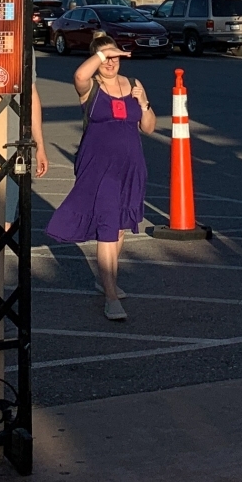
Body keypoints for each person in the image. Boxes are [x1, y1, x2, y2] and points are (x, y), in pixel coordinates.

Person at [45, 34, 155, 321]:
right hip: (98, 167)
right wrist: (103, 53)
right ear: (97, 59)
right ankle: (110, 297)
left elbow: (148, 128)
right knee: (107, 226)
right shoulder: (90, 86)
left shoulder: (133, 84)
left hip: (130, 166)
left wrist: (144, 103)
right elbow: (79, 74)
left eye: (115, 57)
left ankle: (106, 279)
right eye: (106, 57)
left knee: (119, 229)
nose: (111, 62)